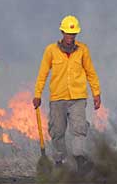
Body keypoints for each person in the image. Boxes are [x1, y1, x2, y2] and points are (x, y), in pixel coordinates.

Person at [32, 15, 101, 174]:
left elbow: (91, 73)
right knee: (57, 132)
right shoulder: (51, 50)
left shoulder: (83, 50)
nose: (71, 37)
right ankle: (59, 162)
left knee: (79, 130)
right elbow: (43, 74)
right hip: (58, 98)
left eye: (74, 34)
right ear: (62, 32)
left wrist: (96, 93)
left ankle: (80, 160)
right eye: (68, 34)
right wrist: (37, 94)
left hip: (78, 98)